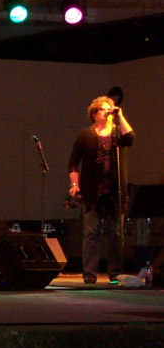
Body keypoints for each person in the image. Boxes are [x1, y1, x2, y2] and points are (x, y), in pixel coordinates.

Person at [68, 96, 134, 284]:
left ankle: (115, 273)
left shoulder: (118, 134)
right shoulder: (85, 135)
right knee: (91, 233)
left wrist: (120, 116)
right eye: (104, 109)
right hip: (92, 192)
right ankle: (89, 275)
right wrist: (75, 185)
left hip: (115, 191)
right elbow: (73, 163)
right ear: (95, 114)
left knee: (116, 233)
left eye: (109, 109)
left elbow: (130, 138)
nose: (108, 112)